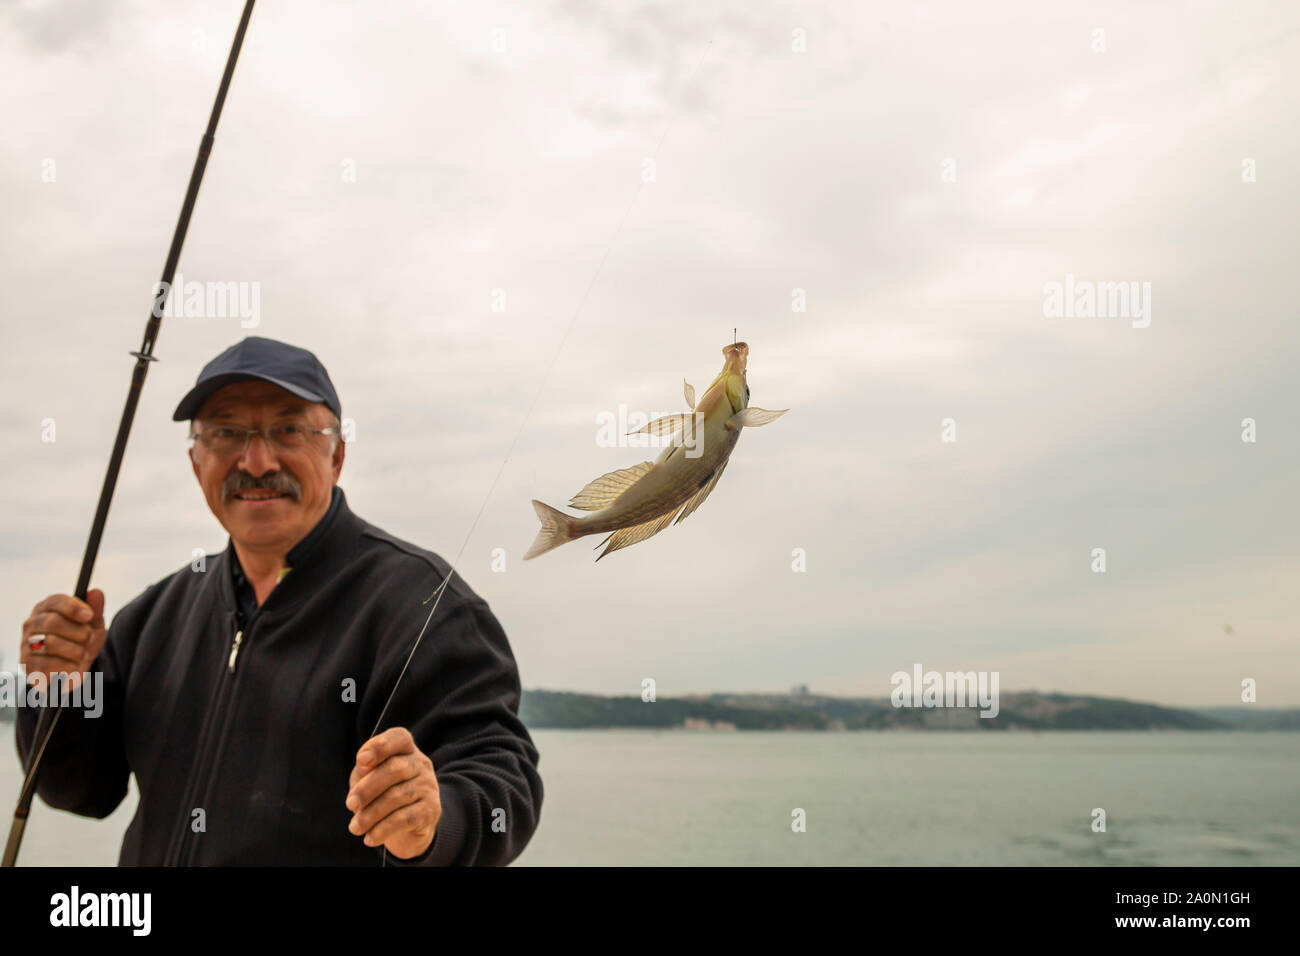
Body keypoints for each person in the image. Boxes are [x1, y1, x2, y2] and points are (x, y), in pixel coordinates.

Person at [16, 336, 542, 865]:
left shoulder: (425, 606)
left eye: (288, 430)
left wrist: (433, 821)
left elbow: (502, 782)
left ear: (337, 455)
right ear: (196, 464)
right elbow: (80, 791)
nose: (258, 461)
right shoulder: (152, 618)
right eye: (226, 433)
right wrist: (55, 685)